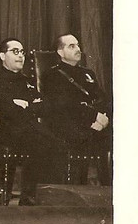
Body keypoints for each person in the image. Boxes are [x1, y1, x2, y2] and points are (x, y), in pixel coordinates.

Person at [0, 38, 66, 205]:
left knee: (56, 143)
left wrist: (25, 106)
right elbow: (7, 110)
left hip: (28, 128)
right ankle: (29, 198)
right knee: (43, 142)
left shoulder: (27, 81)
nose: (20, 56)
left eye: (22, 52)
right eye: (15, 51)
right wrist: (28, 106)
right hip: (6, 131)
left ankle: (44, 198)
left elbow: (45, 106)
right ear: (2, 55)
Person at [43, 33, 111, 184]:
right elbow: (64, 105)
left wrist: (102, 117)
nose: (77, 49)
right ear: (60, 52)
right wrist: (92, 118)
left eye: (78, 45)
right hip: (72, 125)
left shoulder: (88, 73)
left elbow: (102, 98)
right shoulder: (52, 75)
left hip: (97, 122)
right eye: (71, 46)